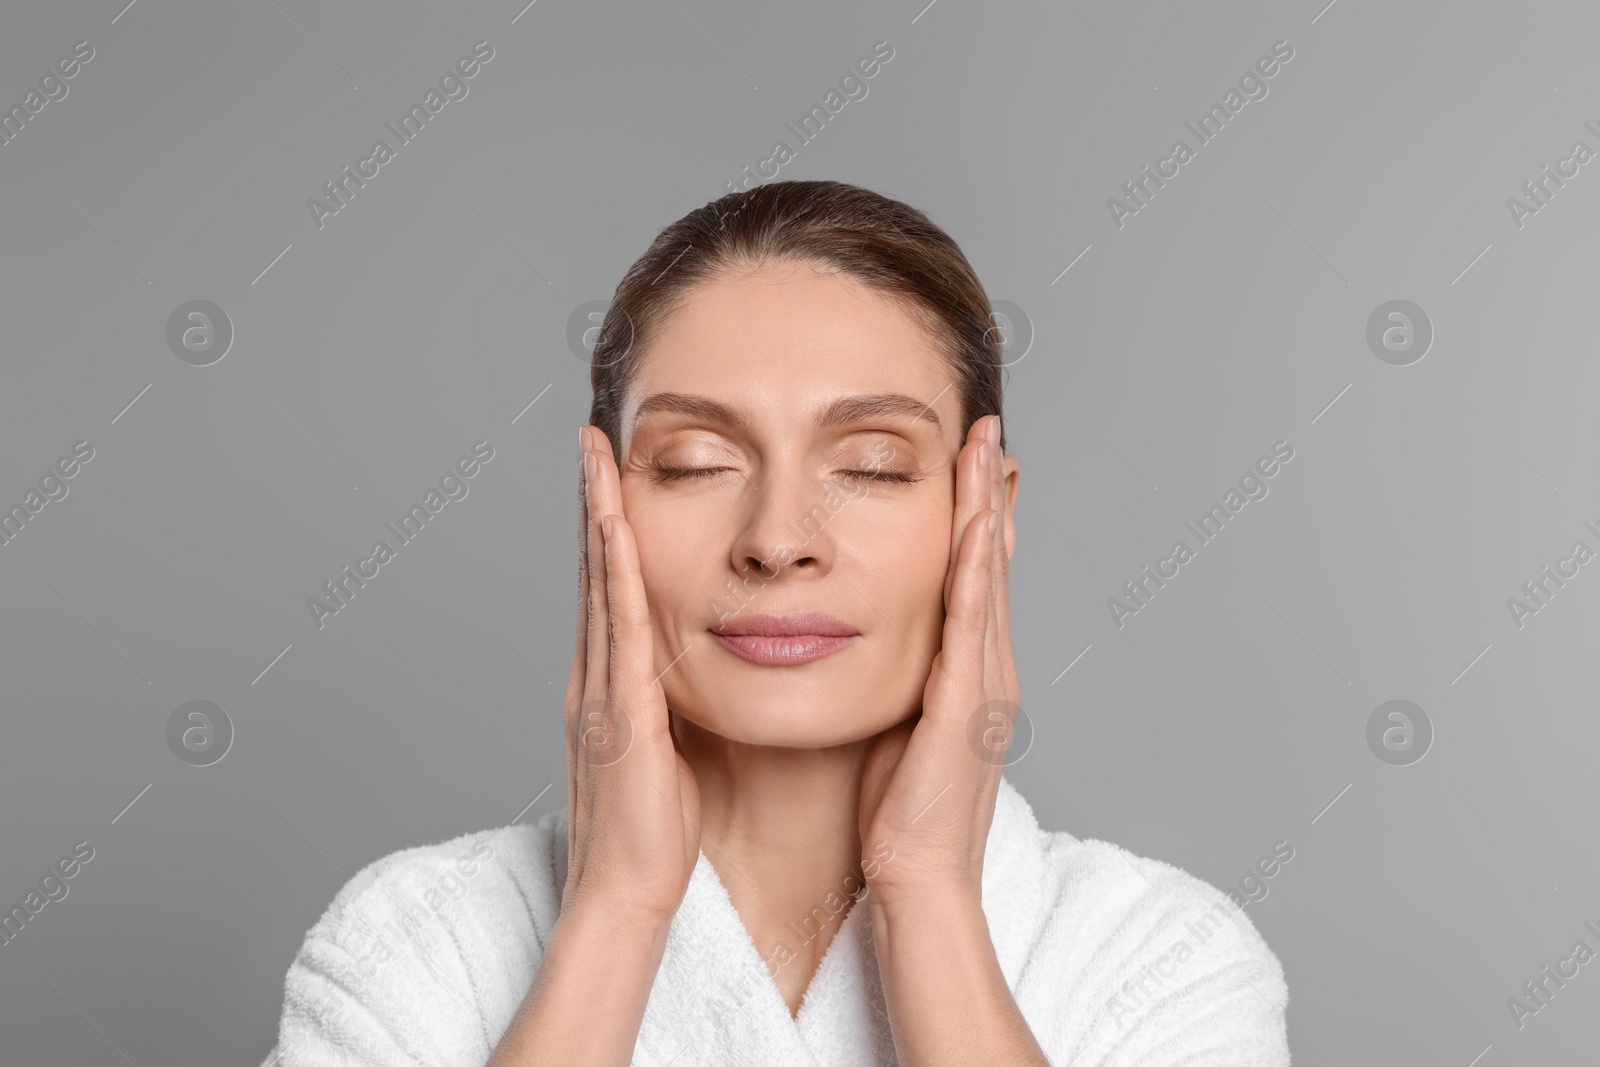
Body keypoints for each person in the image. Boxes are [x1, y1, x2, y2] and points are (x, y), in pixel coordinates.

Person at [264, 179, 1289, 1066]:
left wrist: (929, 901)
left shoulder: (1162, 955)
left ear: (988, 513)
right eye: (695, 463)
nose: (778, 537)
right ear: (602, 509)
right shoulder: (417, 939)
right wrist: (614, 908)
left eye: (872, 464)